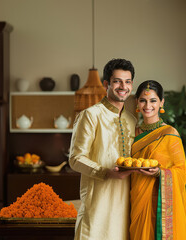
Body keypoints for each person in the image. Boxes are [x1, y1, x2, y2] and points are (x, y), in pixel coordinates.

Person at [69, 58, 137, 240]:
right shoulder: (91, 115)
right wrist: (105, 172)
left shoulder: (133, 121)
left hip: (127, 206)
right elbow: (75, 158)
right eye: (117, 81)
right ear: (106, 84)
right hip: (97, 205)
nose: (123, 86)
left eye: (128, 81)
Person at [130, 80, 186, 240]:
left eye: (153, 100)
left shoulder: (170, 134)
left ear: (161, 102)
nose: (147, 105)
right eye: (143, 100)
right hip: (135, 198)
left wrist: (159, 173)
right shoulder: (132, 132)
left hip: (159, 202)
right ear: (137, 102)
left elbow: (181, 172)